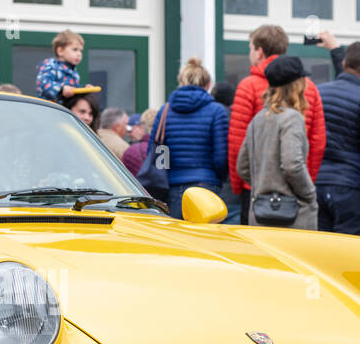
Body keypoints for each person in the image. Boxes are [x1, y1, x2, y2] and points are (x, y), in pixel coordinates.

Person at [227, 25, 326, 222]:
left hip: (258, 190)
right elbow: (317, 141)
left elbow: (238, 143)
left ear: (259, 51)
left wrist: (242, 186)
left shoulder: (248, 86)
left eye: (250, 48)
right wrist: (308, 185)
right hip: (297, 190)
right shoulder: (310, 88)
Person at [236, 56, 317, 229]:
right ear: (297, 84)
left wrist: (265, 185)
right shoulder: (291, 118)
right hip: (292, 216)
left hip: (260, 214)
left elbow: (242, 166)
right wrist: (309, 193)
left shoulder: (258, 119)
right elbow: (292, 165)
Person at [315, 41, 360, 236]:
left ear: (345, 62)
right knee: (354, 256)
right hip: (352, 188)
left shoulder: (318, 93)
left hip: (317, 185)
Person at [160, 56, 229, 217]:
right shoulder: (217, 111)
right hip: (207, 186)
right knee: (205, 240)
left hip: (174, 187)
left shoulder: (165, 111)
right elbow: (220, 157)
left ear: (181, 83)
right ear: (208, 85)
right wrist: (218, 178)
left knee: (176, 239)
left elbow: (158, 152)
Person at [35, 29, 84, 103]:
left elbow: (74, 91)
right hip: (49, 109)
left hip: (66, 111)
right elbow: (44, 83)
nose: (79, 54)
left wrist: (84, 90)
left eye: (81, 51)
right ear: (60, 51)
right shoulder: (50, 65)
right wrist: (61, 89)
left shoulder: (74, 72)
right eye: (75, 49)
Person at [122, 108, 158, 177]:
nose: (128, 134)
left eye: (130, 130)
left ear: (141, 127)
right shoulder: (168, 147)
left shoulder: (131, 151)